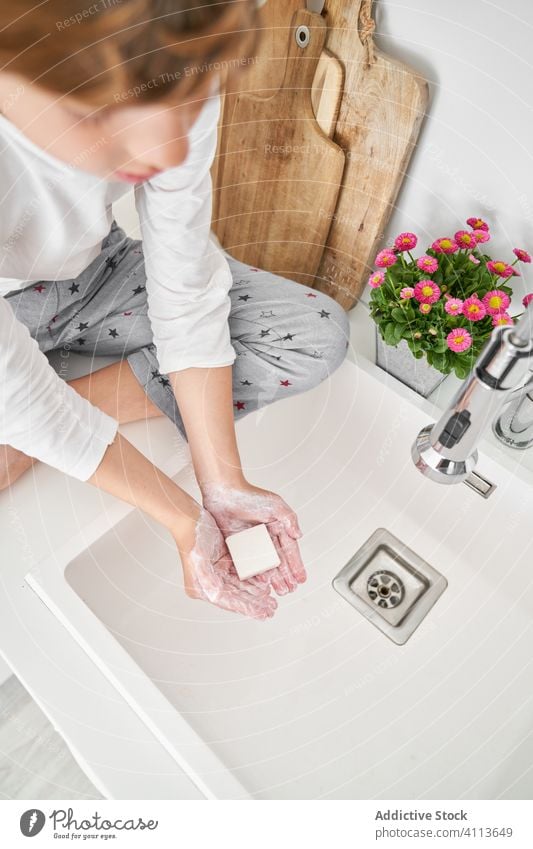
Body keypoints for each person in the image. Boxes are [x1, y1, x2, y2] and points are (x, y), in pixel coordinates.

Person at [0, 0, 350, 620]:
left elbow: (184, 284)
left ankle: (36, 427)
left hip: (92, 275)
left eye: (181, 99)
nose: (164, 147)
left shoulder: (171, 43)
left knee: (314, 335)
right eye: (107, 108)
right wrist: (180, 516)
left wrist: (220, 484)